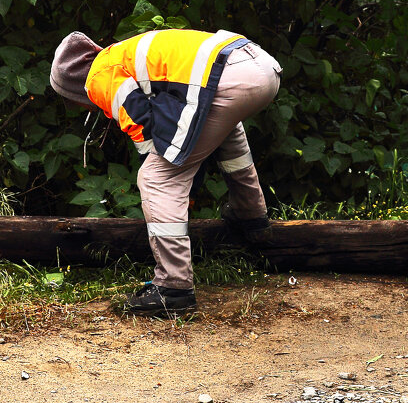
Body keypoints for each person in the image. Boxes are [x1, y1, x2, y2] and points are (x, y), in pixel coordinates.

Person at [49, 28, 281, 316]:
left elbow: (139, 120)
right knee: (227, 138)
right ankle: (252, 219)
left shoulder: (98, 75)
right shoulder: (121, 55)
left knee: (156, 178)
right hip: (260, 66)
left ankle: (173, 289)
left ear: (72, 84)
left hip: (228, 80)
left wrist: (172, 174)